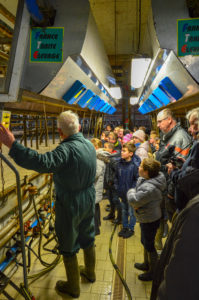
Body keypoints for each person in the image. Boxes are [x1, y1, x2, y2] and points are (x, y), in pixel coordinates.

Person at [0, 111, 96, 298]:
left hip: (70, 202)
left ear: (59, 132)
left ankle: (73, 287)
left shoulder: (66, 150)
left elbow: (41, 161)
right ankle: (90, 273)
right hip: (88, 197)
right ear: (80, 127)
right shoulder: (89, 145)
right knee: (88, 235)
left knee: (68, 243)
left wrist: (12, 144)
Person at [154, 108, 192, 249]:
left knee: (174, 225)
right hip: (164, 186)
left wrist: (170, 193)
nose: (157, 125)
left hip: (171, 192)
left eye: (159, 122)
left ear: (169, 119)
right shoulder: (168, 136)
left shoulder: (181, 138)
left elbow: (178, 169)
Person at [127, 158, 166, 281]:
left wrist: (131, 191)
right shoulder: (151, 178)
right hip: (147, 215)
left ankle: (153, 272)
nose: (138, 167)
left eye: (141, 166)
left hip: (150, 218)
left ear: (146, 172)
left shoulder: (150, 188)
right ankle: (146, 263)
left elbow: (134, 199)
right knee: (145, 241)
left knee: (149, 245)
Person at [115, 142, 141, 238]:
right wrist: (117, 187)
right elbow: (116, 177)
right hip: (122, 192)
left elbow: (137, 179)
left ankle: (131, 228)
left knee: (131, 212)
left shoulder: (134, 165)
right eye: (122, 150)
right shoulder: (119, 163)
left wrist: (132, 191)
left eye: (124, 151)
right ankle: (125, 227)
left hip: (131, 194)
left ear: (131, 153)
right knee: (124, 211)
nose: (121, 152)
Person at [90, 138, 107, 236]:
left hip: (95, 188)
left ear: (95, 147)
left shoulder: (98, 159)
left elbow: (95, 174)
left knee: (93, 210)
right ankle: (97, 226)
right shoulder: (97, 157)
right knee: (95, 208)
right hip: (95, 188)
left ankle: (95, 230)